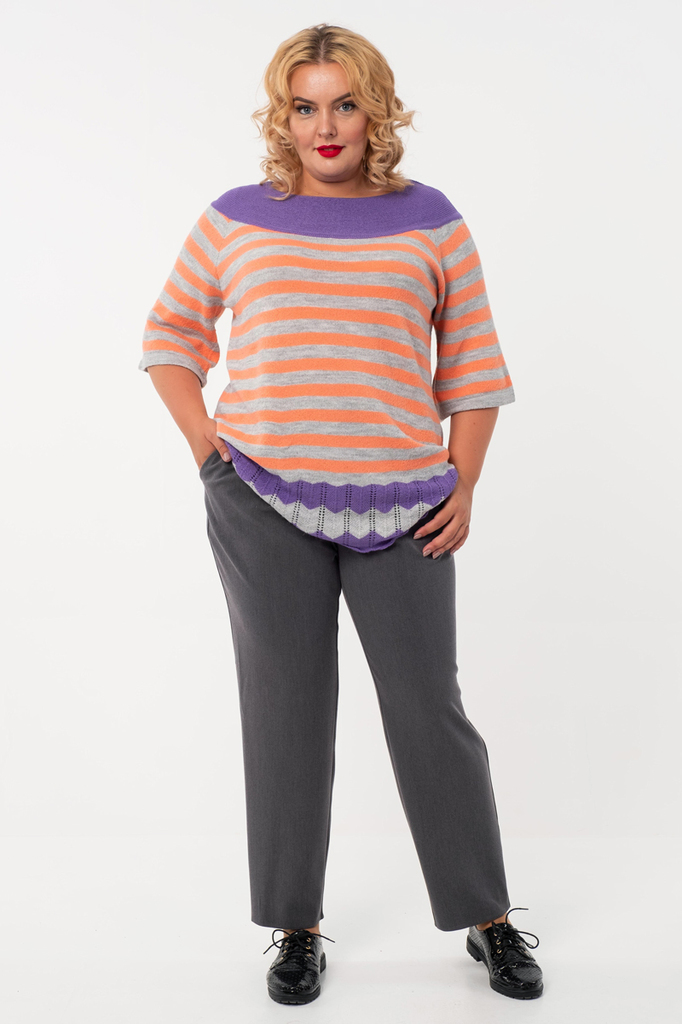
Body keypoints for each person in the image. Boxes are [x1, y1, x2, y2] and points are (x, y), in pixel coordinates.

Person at [139, 22, 544, 1006]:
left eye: (346, 104)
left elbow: (475, 369)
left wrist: (463, 482)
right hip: (260, 497)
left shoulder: (430, 221)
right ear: (282, 117)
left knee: (427, 707)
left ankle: (486, 915)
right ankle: (295, 925)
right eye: (304, 106)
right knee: (284, 708)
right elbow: (170, 334)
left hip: (407, 504)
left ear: (377, 110)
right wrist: (207, 452)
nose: (326, 126)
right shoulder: (235, 218)